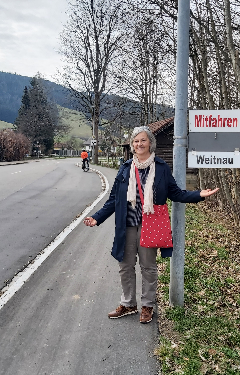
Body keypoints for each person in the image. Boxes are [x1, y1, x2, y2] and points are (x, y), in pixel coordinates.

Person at [83, 126, 218, 324]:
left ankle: (147, 306)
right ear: (132, 144)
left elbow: (176, 194)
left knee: (148, 267)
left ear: (150, 143)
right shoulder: (126, 167)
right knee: (125, 266)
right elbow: (114, 200)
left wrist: (198, 194)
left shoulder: (161, 168)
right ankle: (128, 303)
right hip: (127, 226)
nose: (139, 144)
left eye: (143, 140)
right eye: (136, 141)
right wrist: (97, 217)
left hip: (149, 226)